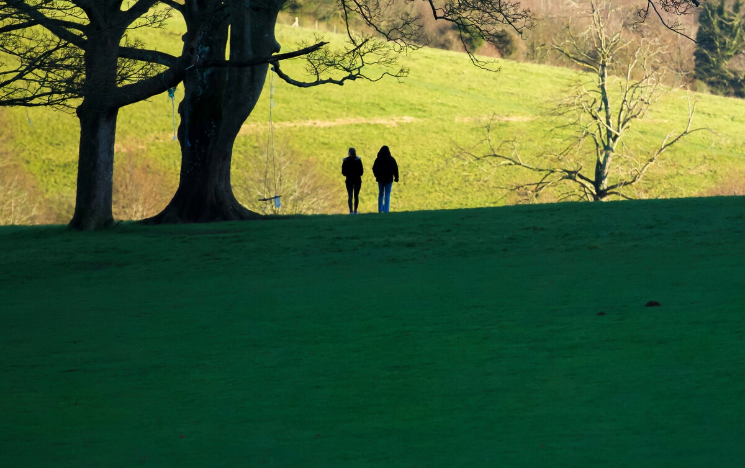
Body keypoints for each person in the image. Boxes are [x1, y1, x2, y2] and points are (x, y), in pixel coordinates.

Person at [372, 145, 399, 213]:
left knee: (381, 193)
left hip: (380, 179)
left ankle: (380, 209)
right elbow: (395, 169)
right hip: (389, 180)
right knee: (387, 194)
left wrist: (376, 175)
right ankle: (386, 210)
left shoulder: (378, 159)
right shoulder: (391, 159)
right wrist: (396, 177)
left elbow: (374, 168)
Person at [341, 147, 363, 214]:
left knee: (350, 196)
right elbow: (361, 172)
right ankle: (355, 210)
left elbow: (343, 172)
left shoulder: (345, 161)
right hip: (357, 180)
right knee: (356, 195)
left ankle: (351, 210)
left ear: (349, 153)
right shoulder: (358, 160)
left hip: (349, 180)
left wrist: (348, 174)